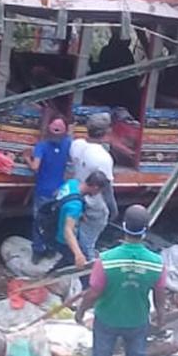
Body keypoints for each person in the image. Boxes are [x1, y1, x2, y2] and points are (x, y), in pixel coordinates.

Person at [73, 205, 167, 356]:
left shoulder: (106, 260)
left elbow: (94, 292)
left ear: (124, 226)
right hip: (137, 318)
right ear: (146, 229)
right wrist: (161, 315)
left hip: (107, 318)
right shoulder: (157, 263)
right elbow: (160, 293)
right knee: (137, 355)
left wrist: (81, 311)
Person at [24, 117, 73, 260]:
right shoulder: (68, 144)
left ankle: (38, 250)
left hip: (43, 191)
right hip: (60, 191)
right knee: (55, 221)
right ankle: (51, 249)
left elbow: (35, 167)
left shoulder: (42, 146)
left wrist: (27, 157)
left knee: (39, 221)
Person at [53, 171, 110, 268]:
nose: (98, 194)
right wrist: (78, 254)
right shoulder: (75, 205)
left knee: (65, 261)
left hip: (55, 224)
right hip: (63, 239)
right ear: (95, 187)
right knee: (70, 264)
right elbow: (68, 231)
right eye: (99, 191)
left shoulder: (72, 183)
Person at [70, 110, 117, 219]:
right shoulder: (103, 157)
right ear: (108, 131)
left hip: (76, 197)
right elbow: (107, 191)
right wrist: (113, 211)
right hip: (93, 207)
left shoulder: (76, 144)